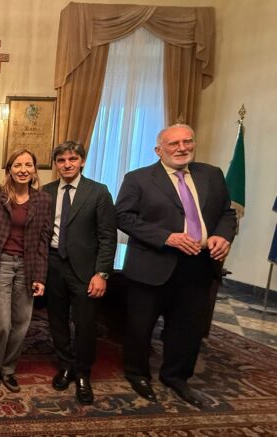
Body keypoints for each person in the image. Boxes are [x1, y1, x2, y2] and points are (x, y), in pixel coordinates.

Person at [116, 124, 236, 409]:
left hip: (198, 265)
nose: (182, 148)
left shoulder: (212, 175)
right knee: (140, 325)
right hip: (152, 264)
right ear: (159, 150)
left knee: (188, 326)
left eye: (187, 141)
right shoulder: (139, 178)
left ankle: (177, 376)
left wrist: (223, 235)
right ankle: (137, 373)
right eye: (174, 143)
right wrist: (166, 237)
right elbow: (123, 216)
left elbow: (227, 213)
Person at [42, 141, 117, 405]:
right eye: (61, 160)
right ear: (56, 164)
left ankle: (83, 372)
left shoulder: (98, 192)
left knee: (85, 324)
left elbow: (108, 236)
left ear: (82, 161)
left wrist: (102, 273)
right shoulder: (46, 192)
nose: (67, 164)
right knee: (57, 320)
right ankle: (65, 365)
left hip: (85, 270)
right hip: (53, 264)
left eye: (72, 159)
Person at [0, 149, 52, 393]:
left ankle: (8, 369)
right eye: (17, 165)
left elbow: (43, 240)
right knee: (0, 324)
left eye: (28, 165)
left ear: (34, 169)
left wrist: (40, 276)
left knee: (21, 323)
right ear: (9, 169)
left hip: (27, 266)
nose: (23, 170)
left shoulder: (43, 200)